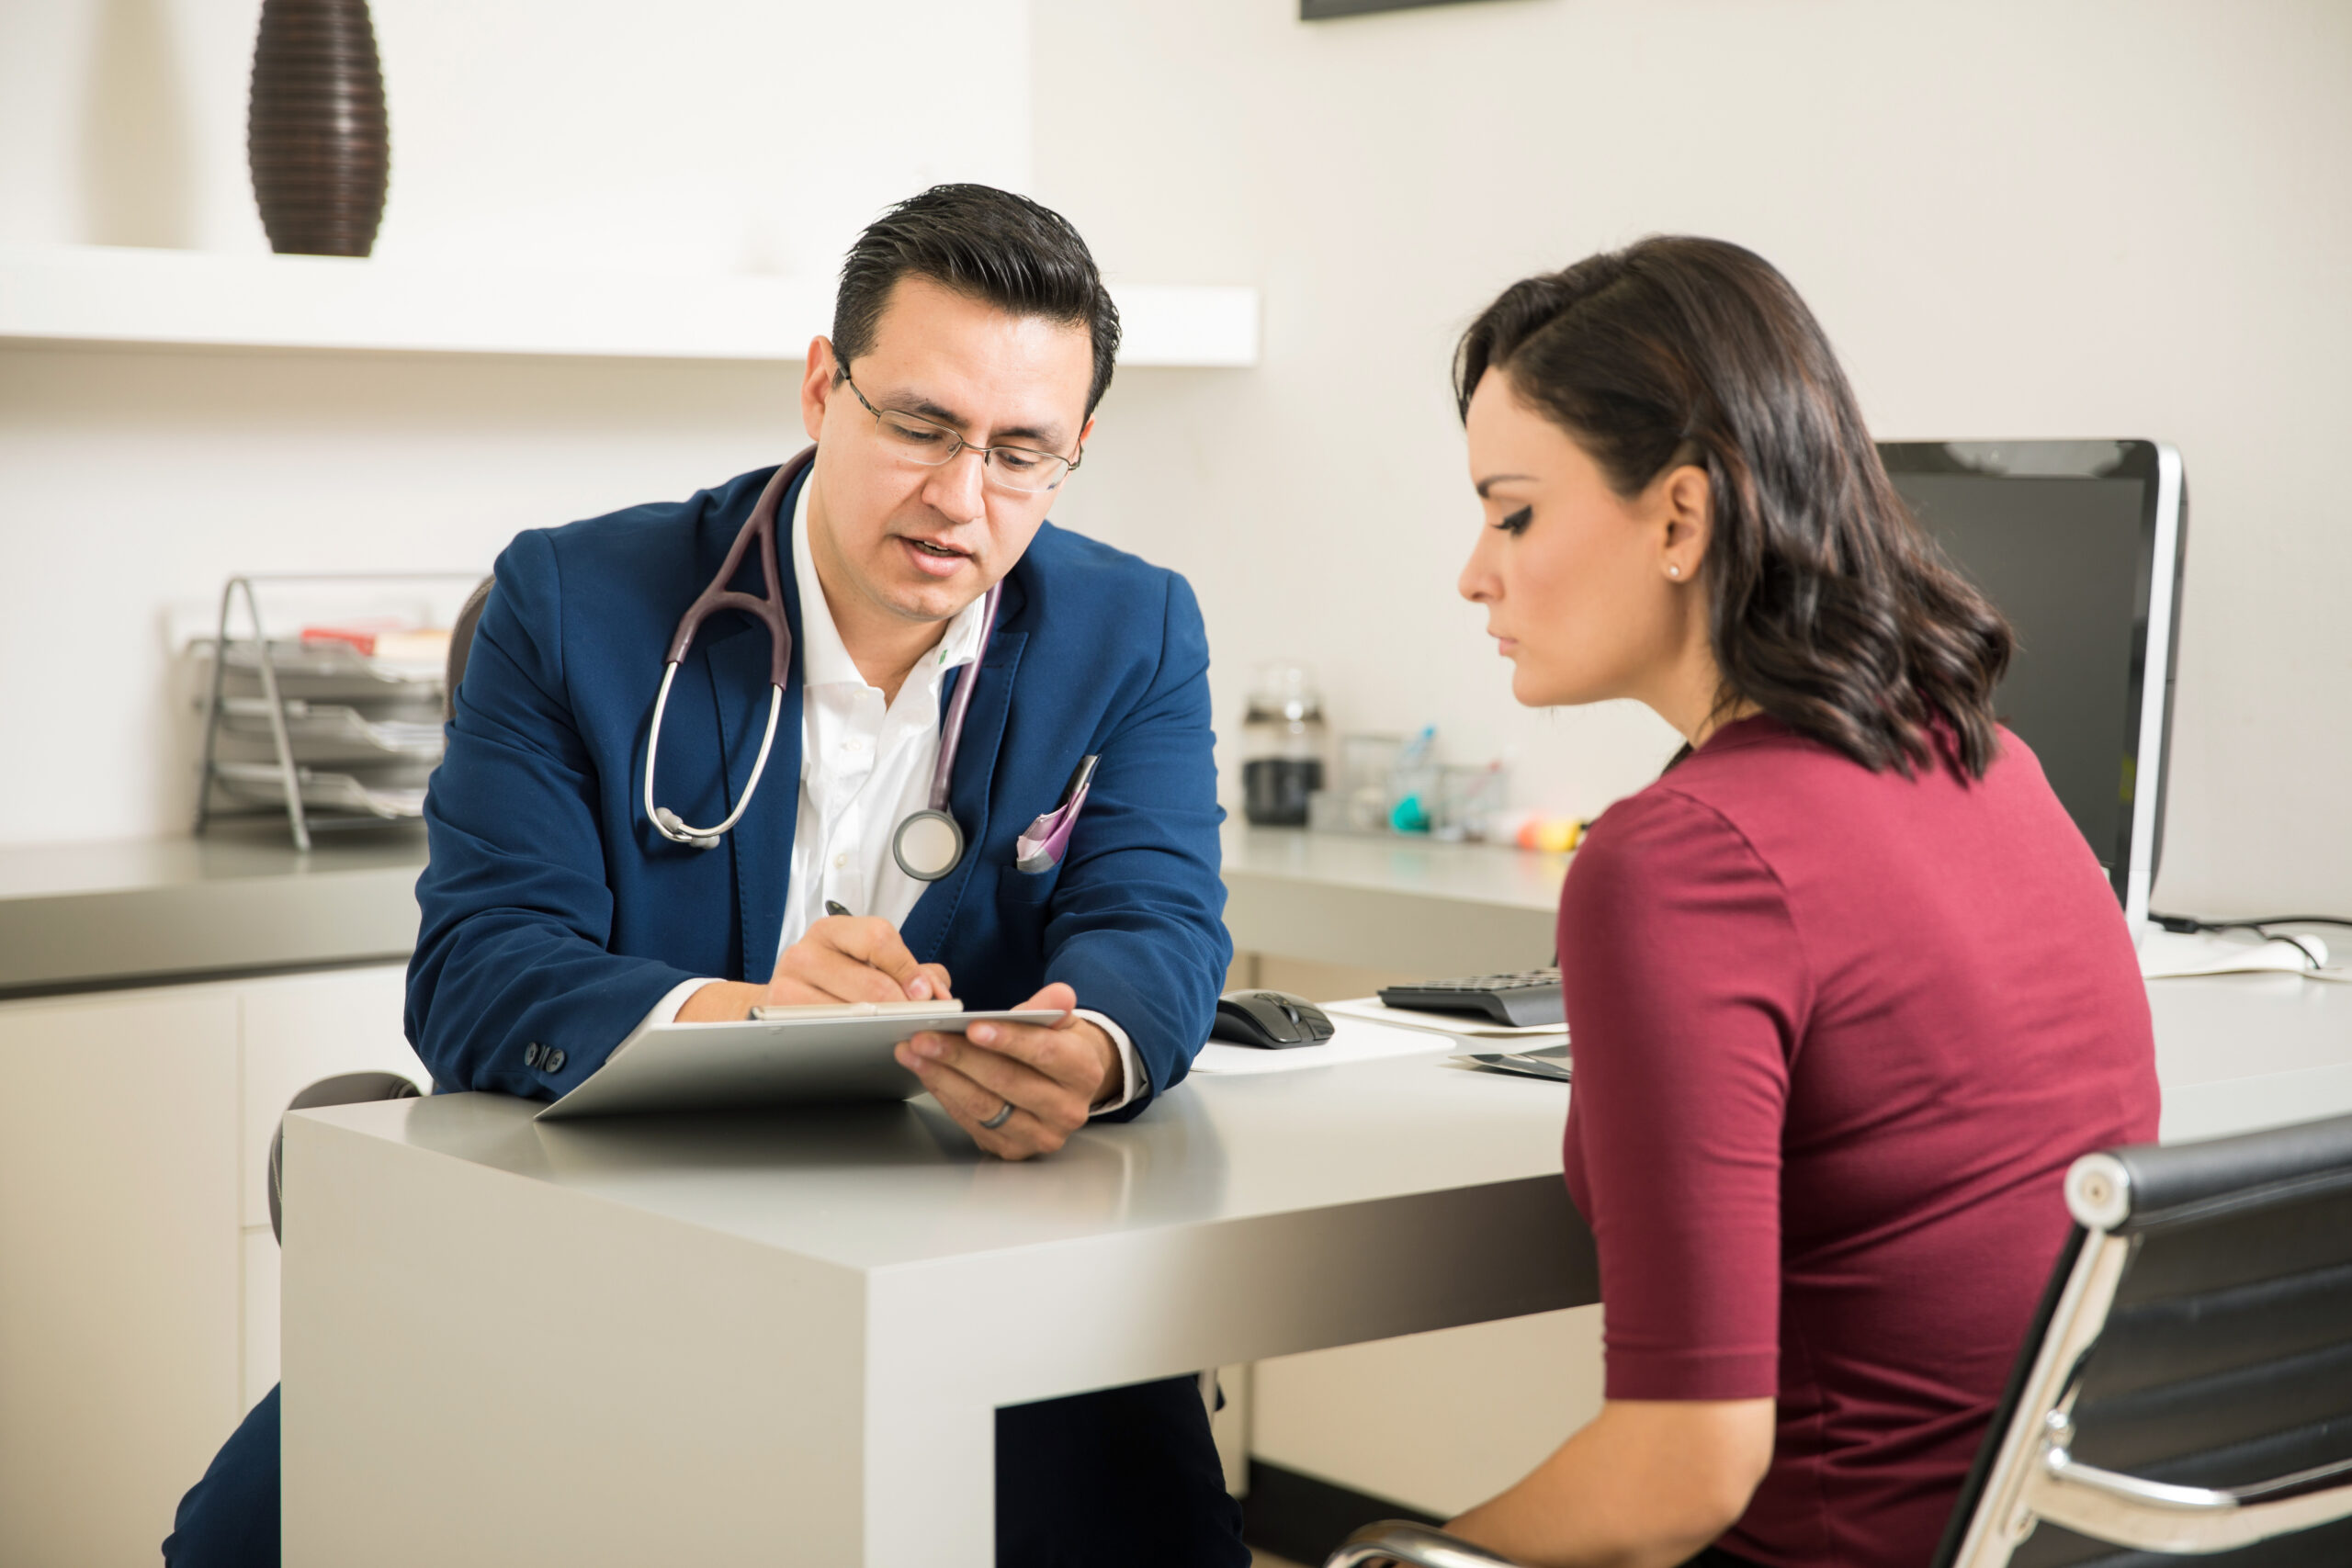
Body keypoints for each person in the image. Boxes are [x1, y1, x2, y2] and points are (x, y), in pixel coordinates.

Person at [164, 185, 1246, 1568]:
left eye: (1022, 452)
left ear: (1076, 450)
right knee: (241, 1547)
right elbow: (483, 974)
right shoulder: (576, 602)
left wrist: (1088, 1047)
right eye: (920, 425)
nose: (960, 498)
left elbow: (1159, 921)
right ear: (821, 388)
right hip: (601, 1242)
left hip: (971, 1262)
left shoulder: (1131, 627)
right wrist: (751, 1018)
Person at [1435, 238, 2160, 1568]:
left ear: (1679, 520)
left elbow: (1680, 1473)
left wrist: (1381, 1557)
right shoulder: (1997, 767)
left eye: (1514, 511)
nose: (1475, 572)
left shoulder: (1683, 861)